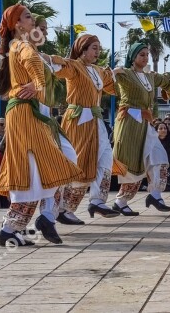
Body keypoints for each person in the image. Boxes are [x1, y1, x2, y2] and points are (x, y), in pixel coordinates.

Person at [0, 4, 83, 246]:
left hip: (30, 114)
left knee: (45, 166)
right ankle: (13, 227)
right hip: (25, 113)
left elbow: (44, 62)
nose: (33, 21)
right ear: (18, 25)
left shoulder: (18, 46)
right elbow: (33, 63)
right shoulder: (21, 45)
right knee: (34, 168)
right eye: (28, 17)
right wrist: (38, 84)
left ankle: (25, 224)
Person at [49, 33, 120, 223]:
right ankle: (63, 209)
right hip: (78, 120)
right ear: (83, 49)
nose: (98, 51)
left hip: (96, 120)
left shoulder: (97, 70)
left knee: (105, 159)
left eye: (99, 48)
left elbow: (113, 87)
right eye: (94, 48)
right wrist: (45, 58)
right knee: (80, 163)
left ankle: (97, 200)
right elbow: (58, 67)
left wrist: (121, 73)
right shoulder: (75, 67)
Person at [111, 42, 170, 215]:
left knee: (159, 158)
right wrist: (113, 72)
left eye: (147, 54)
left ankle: (155, 195)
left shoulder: (150, 77)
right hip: (130, 123)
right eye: (142, 54)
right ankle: (121, 201)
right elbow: (106, 79)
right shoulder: (125, 73)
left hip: (146, 124)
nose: (146, 57)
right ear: (132, 57)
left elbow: (169, 80)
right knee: (132, 163)